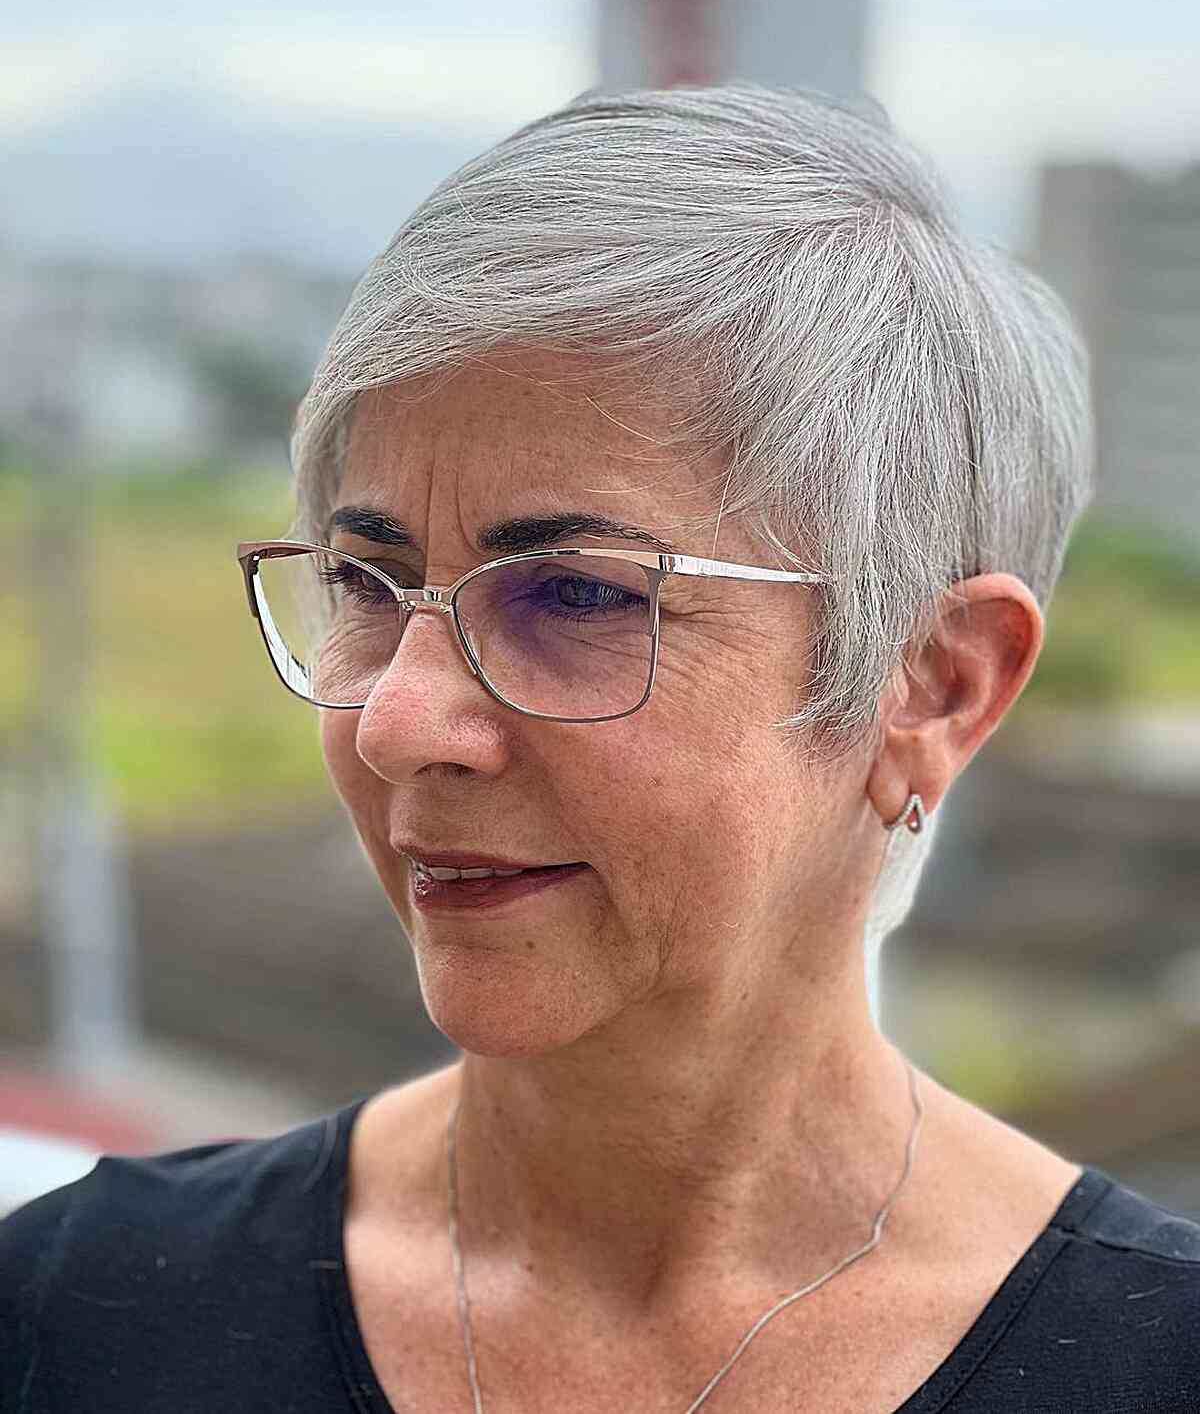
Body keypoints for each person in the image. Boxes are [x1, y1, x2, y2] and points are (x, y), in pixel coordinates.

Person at [3, 83, 1198, 1413]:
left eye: (575, 594)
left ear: (934, 686)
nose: (398, 723)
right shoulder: (82, 1318)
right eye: (365, 581)